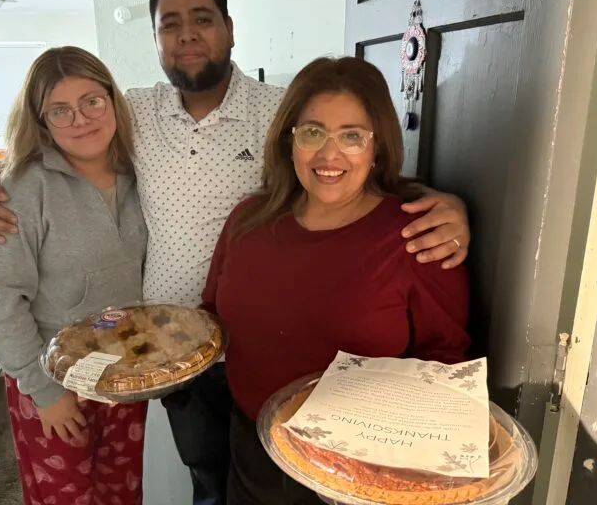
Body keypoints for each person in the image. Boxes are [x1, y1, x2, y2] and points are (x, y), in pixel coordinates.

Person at [0, 0, 471, 505]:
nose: (187, 34)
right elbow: (61, 140)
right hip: (170, 352)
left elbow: (346, 165)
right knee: (210, 482)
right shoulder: (134, 112)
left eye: (203, 19)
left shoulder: (278, 110)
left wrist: (445, 203)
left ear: (229, 28)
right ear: (156, 39)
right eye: (170, 24)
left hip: (259, 353)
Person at [201, 56, 471, 505]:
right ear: (289, 141)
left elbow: (445, 365)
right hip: (251, 451)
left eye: (352, 136)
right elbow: (210, 317)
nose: (329, 155)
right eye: (312, 132)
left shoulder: (418, 236)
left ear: (377, 147)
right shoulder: (247, 221)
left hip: (356, 471)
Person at [0, 46, 147, 505]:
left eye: (92, 101)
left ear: (111, 100)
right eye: (60, 110)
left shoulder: (142, 170)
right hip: (50, 380)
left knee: (122, 493)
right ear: (41, 120)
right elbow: (1, 301)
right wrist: (44, 392)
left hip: (125, 373)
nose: (81, 119)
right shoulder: (20, 190)